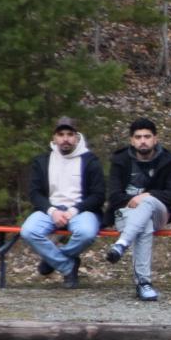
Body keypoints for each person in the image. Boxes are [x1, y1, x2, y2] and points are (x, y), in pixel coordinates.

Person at [102, 117, 171, 302]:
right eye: (138, 137)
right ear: (132, 140)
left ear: (155, 139)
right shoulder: (120, 160)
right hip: (126, 214)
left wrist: (145, 196)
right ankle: (144, 284)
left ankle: (121, 244)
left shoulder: (167, 160)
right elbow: (114, 197)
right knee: (143, 225)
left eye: (147, 136)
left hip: (158, 213)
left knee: (147, 203)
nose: (143, 141)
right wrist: (133, 200)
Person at [20, 117, 107, 289]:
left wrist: (74, 210)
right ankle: (67, 266)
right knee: (29, 231)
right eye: (61, 134)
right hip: (50, 210)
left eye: (69, 134)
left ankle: (52, 261)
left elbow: (98, 195)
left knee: (87, 233)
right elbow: (34, 193)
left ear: (77, 137)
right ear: (54, 138)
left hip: (82, 211)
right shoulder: (42, 161)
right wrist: (52, 211)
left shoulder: (90, 161)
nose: (65, 139)